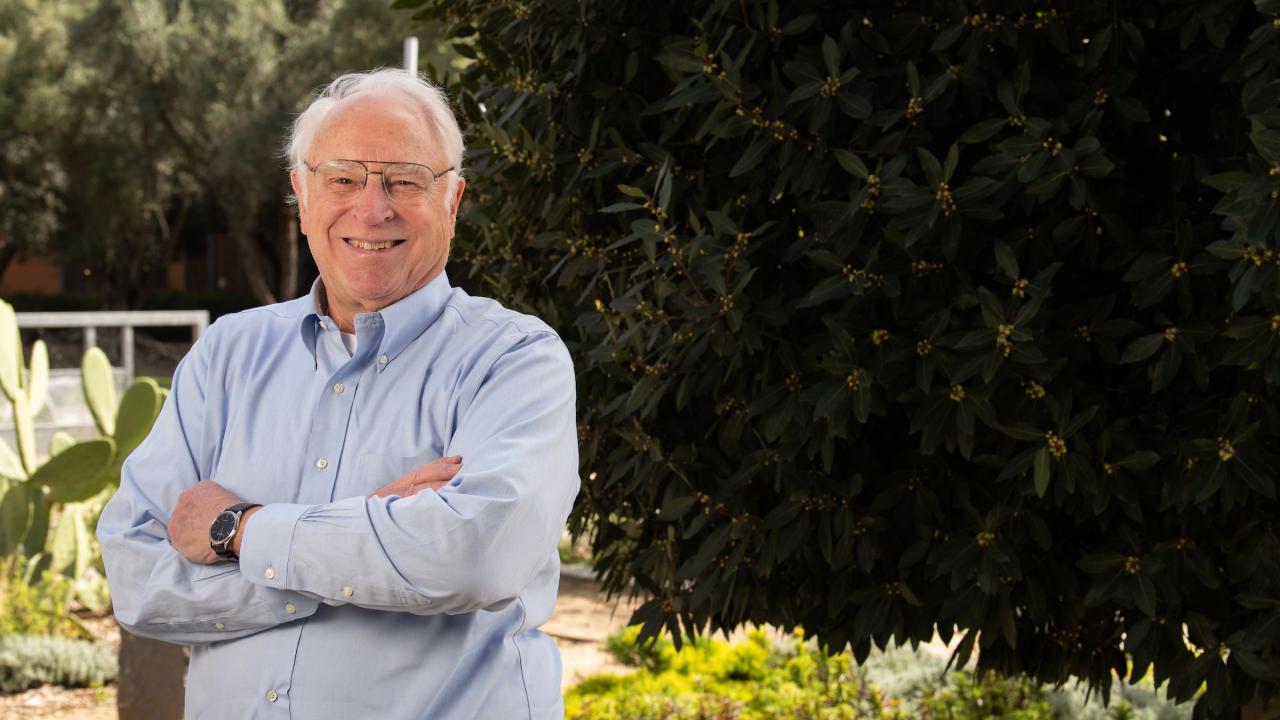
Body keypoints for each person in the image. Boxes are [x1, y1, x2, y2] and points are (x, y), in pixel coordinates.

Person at [97, 68, 580, 719]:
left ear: (453, 201)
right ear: (301, 192)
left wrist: (238, 529)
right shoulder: (227, 355)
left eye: (404, 180)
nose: (372, 208)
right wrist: (366, 544)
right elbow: (136, 579)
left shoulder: (515, 359)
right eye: (343, 178)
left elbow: (474, 557)